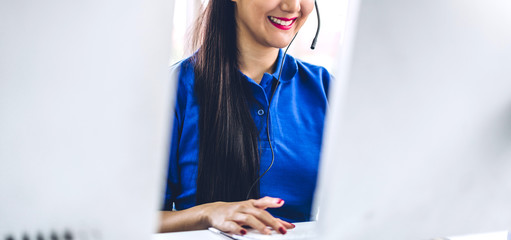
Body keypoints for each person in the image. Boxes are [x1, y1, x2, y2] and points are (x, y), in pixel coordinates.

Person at [159, 0, 331, 236]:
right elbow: (132, 220)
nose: (293, 6)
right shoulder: (173, 90)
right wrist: (208, 213)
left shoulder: (326, 89)